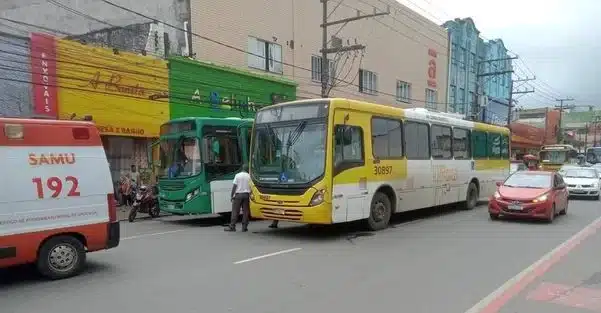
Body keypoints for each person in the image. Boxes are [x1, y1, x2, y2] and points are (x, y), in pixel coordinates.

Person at [225, 164, 252, 232]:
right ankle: (244, 227)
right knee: (246, 211)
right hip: (246, 195)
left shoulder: (237, 175)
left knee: (235, 211)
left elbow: (234, 186)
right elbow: (251, 187)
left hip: (238, 195)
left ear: (242, 168)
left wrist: (231, 195)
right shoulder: (250, 176)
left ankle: (232, 226)